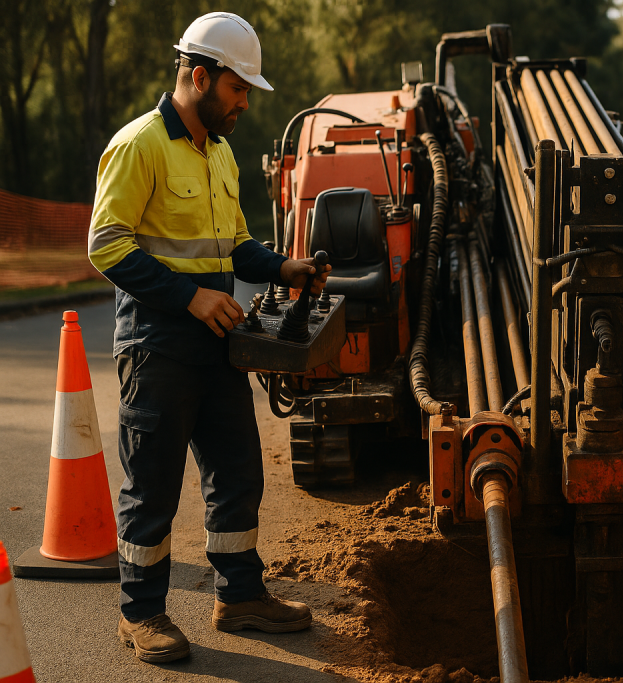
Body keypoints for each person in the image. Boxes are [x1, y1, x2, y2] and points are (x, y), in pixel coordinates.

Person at [87, 12, 329, 663]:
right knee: (153, 485)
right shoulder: (139, 144)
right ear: (199, 77)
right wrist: (189, 296)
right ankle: (141, 613)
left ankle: (240, 595)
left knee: (236, 472)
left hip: (216, 347)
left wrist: (283, 266)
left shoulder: (219, 153)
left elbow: (233, 247)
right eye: (238, 89)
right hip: (157, 346)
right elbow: (105, 245)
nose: (244, 103)